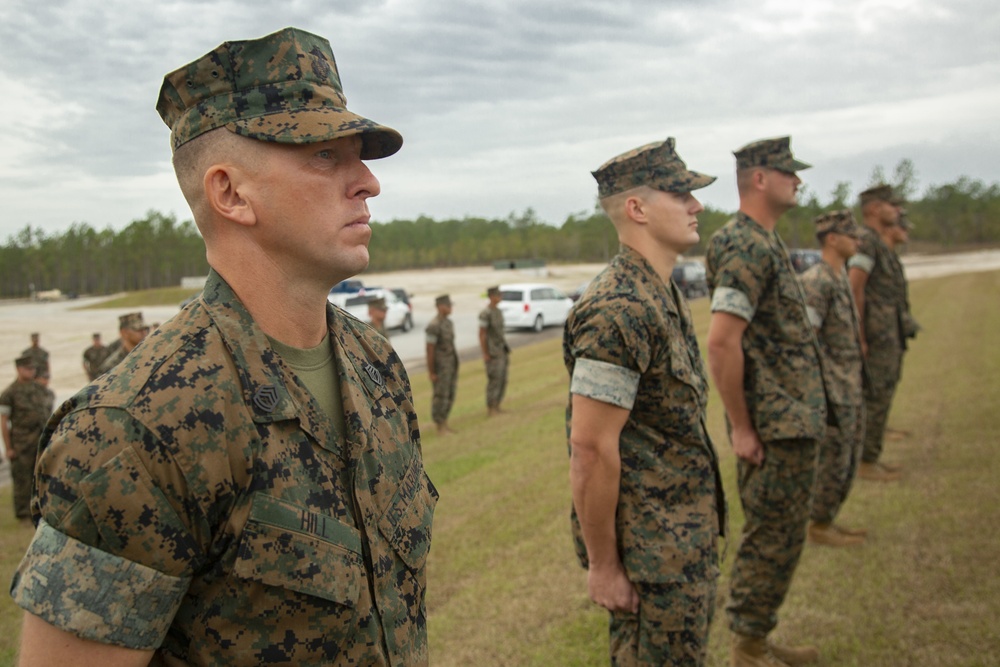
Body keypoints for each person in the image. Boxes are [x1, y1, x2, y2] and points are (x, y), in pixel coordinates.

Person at [12, 27, 437, 666]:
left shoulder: (375, 366)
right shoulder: (136, 432)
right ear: (230, 193)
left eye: (359, 155)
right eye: (326, 156)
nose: (368, 183)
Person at [564, 137, 727, 665]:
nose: (696, 205)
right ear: (637, 209)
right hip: (653, 555)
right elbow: (589, 447)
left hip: (681, 540)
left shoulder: (659, 291)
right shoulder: (619, 307)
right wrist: (604, 566)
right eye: (681, 194)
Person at [705, 136, 827, 667]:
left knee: (783, 540)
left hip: (791, 420)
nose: (797, 180)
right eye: (787, 172)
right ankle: (746, 649)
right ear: (759, 179)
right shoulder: (745, 244)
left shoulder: (763, 239)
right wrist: (742, 427)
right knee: (768, 539)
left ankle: (756, 637)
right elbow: (722, 340)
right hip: (773, 426)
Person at [798, 210, 868, 547]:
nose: (858, 240)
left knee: (848, 459)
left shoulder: (838, 277)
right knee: (831, 463)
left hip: (849, 384)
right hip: (830, 390)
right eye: (850, 234)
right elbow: (805, 341)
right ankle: (819, 524)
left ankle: (829, 519)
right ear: (832, 238)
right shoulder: (816, 282)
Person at [848, 184, 908, 481]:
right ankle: (865, 462)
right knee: (874, 395)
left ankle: (871, 456)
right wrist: (859, 336)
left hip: (887, 332)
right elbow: (855, 287)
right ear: (873, 208)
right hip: (874, 334)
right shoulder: (867, 242)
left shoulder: (877, 242)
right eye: (890, 205)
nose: (896, 211)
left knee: (882, 392)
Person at [0, 356, 50, 522]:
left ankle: (44, 510)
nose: (31, 371)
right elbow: (4, 421)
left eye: (32, 368)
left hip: (41, 441)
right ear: (18, 369)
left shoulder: (40, 389)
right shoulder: (9, 393)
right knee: (23, 479)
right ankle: (23, 515)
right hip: (21, 443)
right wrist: (8, 447)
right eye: (27, 368)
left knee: (43, 476)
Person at [426, 294, 459, 434]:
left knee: (450, 394)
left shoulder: (448, 323)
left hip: (450, 365)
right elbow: (430, 350)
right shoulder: (434, 326)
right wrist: (432, 371)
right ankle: (439, 425)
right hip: (440, 367)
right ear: (440, 307)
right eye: (448, 305)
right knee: (440, 396)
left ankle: (445, 422)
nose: (451, 308)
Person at [479, 286, 509, 416]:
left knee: (503, 379)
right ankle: (491, 407)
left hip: (501, 350)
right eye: (498, 295)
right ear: (491, 296)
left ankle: (497, 405)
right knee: (494, 380)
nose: (500, 297)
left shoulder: (498, 311)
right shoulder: (486, 313)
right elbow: (482, 334)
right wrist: (485, 353)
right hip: (492, 352)